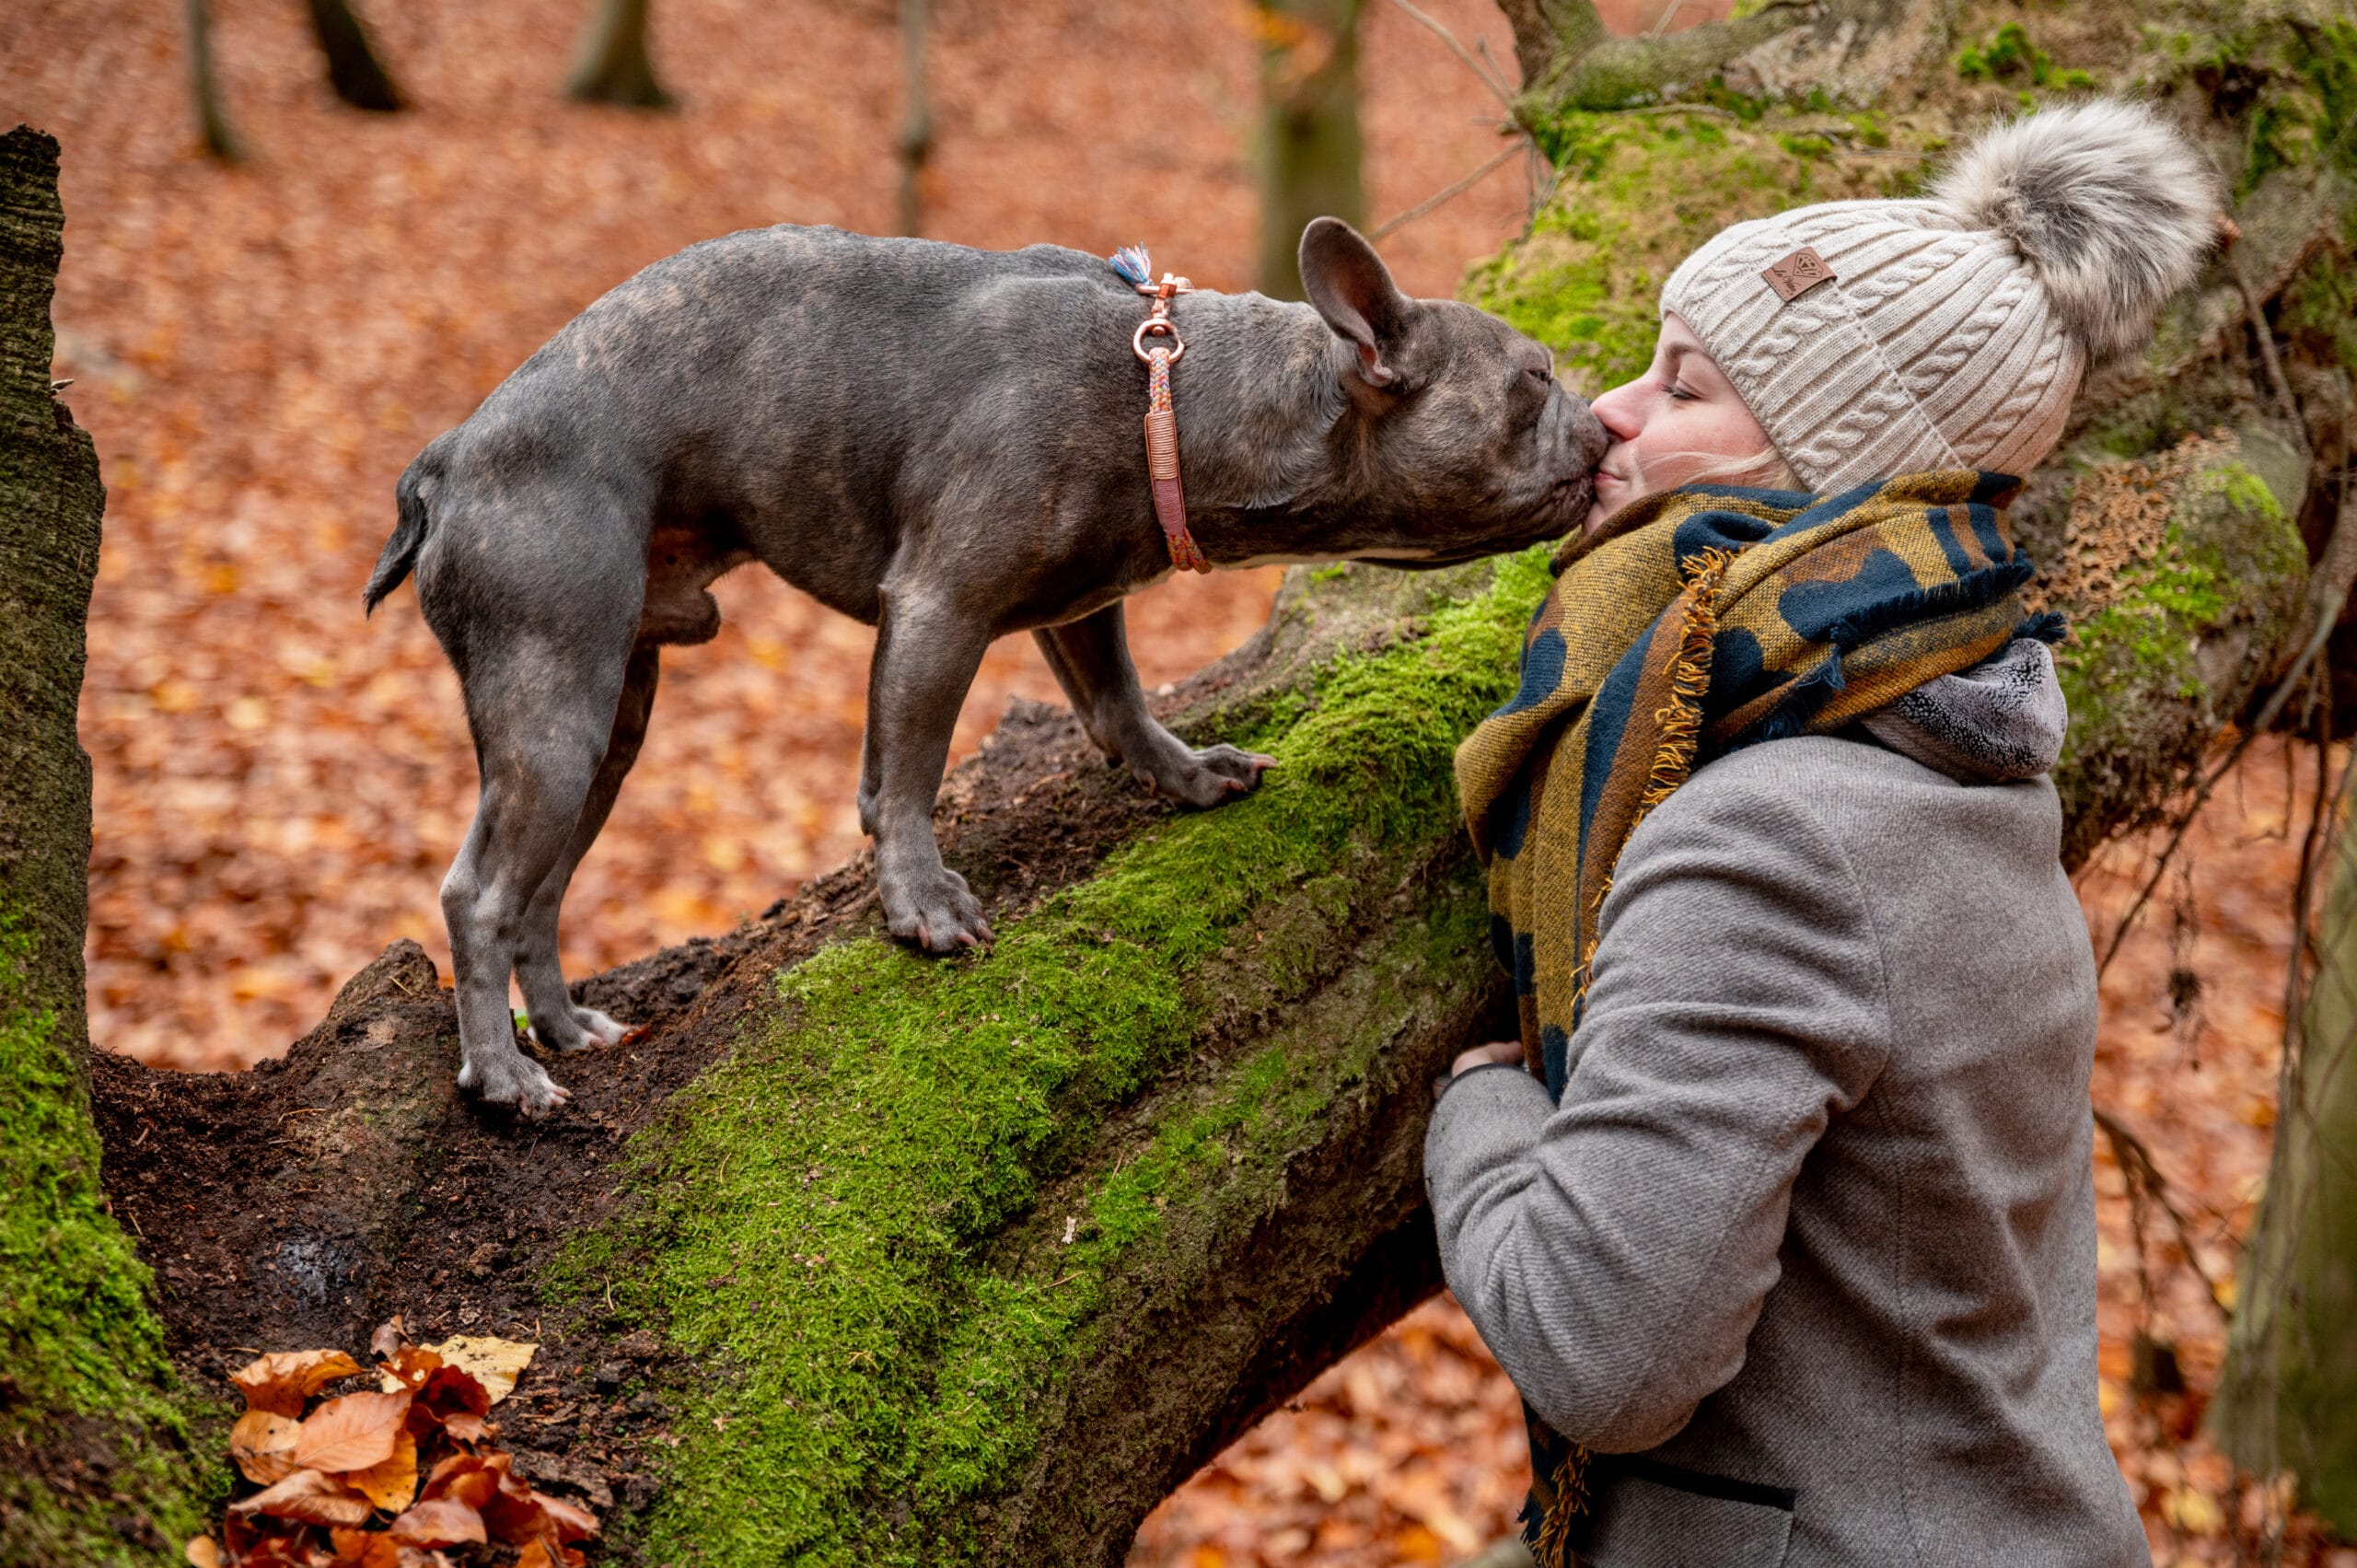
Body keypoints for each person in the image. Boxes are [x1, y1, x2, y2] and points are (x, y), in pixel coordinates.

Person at [1428, 99, 2222, 1567]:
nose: (1611, 410)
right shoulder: (1960, 753)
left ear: (1829, 470)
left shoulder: (1775, 836)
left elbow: (1607, 1360)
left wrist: (1479, 1110)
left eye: (1686, 388)